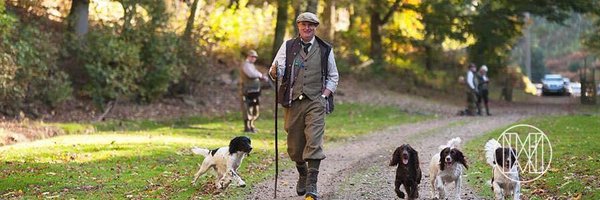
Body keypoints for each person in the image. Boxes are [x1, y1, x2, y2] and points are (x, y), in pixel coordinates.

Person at [269, 12, 339, 200]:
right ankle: (302, 172)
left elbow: (333, 76)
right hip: (292, 101)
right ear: (298, 26)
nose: (307, 28)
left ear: (316, 27)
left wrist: (324, 96)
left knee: (314, 141)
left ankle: (311, 187)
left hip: (316, 101)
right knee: (294, 147)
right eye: (303, 25)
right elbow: (277, 69)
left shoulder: (325, 49)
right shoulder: (288, 46)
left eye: (311, 25)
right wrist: (276, 72)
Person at [240, 50, 267, 133]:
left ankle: (251, 126)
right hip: (247, 90)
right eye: (253, 57)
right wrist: (260, 75)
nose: (254, 58)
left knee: (254, 108)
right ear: (248, 56)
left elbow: (255, 73)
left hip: (254, 91)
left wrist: (262, 76)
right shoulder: (245, 65)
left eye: (255, 57)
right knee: (247, 108)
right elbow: (251, 74)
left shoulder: (251, 65)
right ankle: (247, 127)